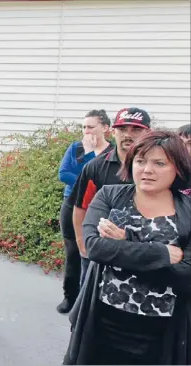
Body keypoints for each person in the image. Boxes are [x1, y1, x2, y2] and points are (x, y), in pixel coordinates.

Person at [64, 130, 191, 365]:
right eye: (141, 161)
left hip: (163, 330)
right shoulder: (110, 196)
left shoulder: (187, 211)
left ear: (178, 168)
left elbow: (186, 274)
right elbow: (95, 248)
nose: (147, 170)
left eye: (159, 163)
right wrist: (161, 253)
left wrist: (124, 247)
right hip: (103, 321)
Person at [69, 107, 150, 286]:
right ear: (113, 132)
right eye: (122, 129)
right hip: (101, 249)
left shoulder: (157, 168)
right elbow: (81, 207)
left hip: (143, 249)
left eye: (136, 129)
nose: (128, 134)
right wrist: (82, 245)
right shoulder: (95, 167)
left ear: (148, 133)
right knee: (90, 303)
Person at [56, 109, 113, 314]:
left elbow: (104, 181)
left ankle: (90, 300)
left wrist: (89, 162)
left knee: (95, 253)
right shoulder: (76, 148)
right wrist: (87, 160)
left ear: (105, 128)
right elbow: (64, 174)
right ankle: (70, 297)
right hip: (73, 204)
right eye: (84, 127)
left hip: (101, 208)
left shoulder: (112, 153)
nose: (86, 131)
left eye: (91, 126)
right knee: (73, 252)